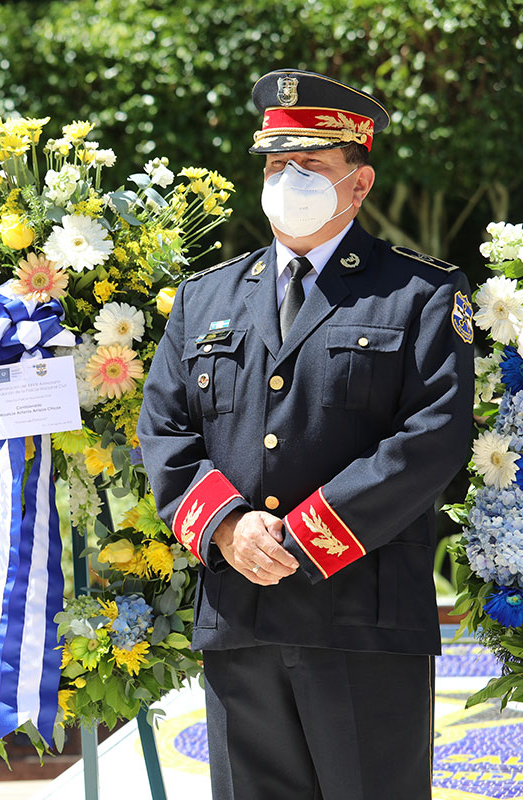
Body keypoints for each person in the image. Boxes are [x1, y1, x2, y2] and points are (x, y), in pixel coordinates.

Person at [138, 69, 473, 799]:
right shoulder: (207, 297)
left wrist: (306, 535)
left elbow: (434, 437)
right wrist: (226, 527)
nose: (287, 180)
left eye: (310, 166)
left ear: (359, 183)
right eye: (274, 164)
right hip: (240, 620)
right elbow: (163, 429)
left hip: (363, 623)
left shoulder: (420, 294)